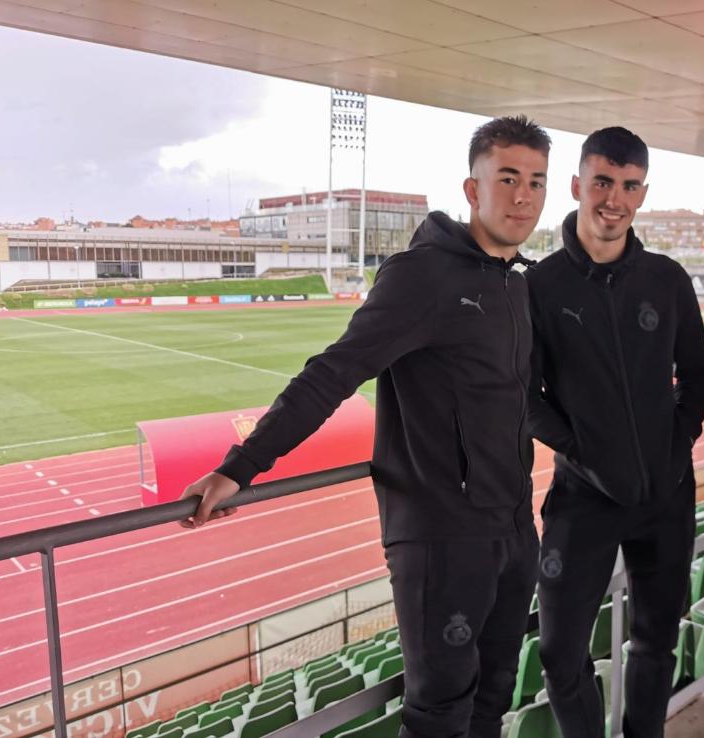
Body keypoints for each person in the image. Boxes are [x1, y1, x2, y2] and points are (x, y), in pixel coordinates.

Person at [179, 115, 552, 738]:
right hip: (443, 536)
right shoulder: (422, 277)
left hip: (515, 528)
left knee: (492, 702)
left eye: (536, 182)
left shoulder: (518, 284)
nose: (523, 196)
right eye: (507, 177)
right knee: (438, 715)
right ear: (472, 188)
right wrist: (240, 467)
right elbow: (332, 373)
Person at [526, 126, 704, 738]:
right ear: (577, 185)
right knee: (558, 653)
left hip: (666, 497)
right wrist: (582, 451)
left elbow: (699, 371)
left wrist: (676, 444)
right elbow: (526, 397)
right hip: (583, 498)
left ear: (643, 193)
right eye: (603, 182)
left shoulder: (667, 278)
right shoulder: (540, 286)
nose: (615, 199)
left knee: (656, 641)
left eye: (629, 186)